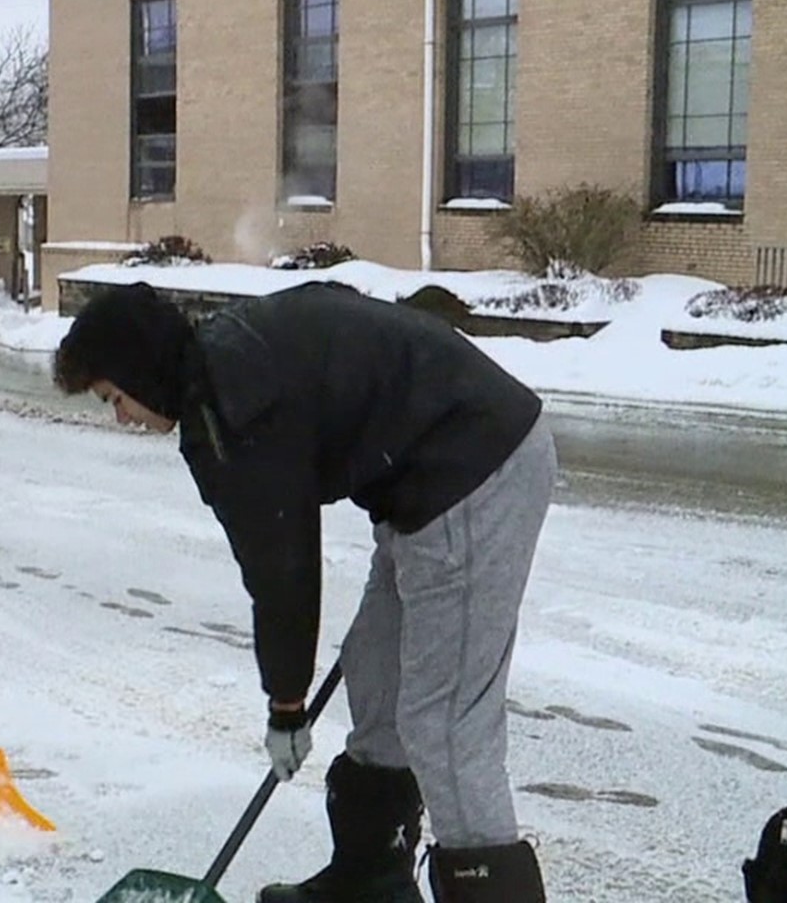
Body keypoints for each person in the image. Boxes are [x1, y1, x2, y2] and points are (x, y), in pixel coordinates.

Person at [51, 280, 556, 903]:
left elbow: (281, 565)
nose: (121, 416)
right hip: (423, 483)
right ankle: (370, 878)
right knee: (376, 672)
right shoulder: (222, 367)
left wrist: (286, 706)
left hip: (474, 468)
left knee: (443, 724)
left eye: (114, 397)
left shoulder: (232, 406)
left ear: (140, 372)